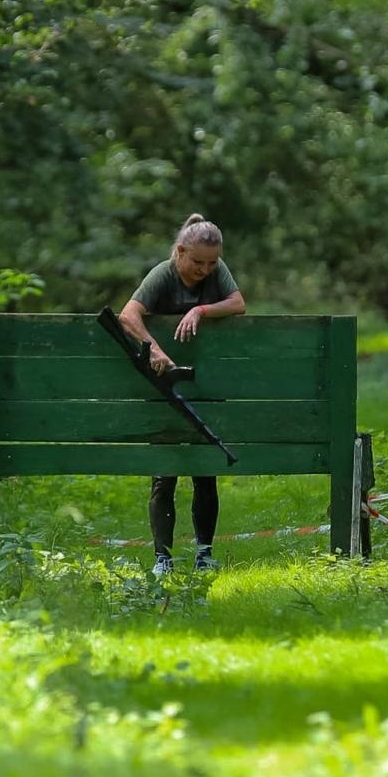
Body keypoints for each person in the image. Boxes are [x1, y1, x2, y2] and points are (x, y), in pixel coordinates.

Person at [118, 213, 247, 576]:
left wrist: (200, 309)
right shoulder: (162, 274)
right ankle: (164, 558)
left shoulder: (216, 269)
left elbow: (238, 303)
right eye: (197, 262)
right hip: (164, 386)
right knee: (165, 473)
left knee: (205, 471)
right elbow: (128, 315)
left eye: (211, 263)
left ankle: (204, 554)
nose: (205, 270)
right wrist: (156, 351)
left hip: (203, 384)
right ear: (179, 252)